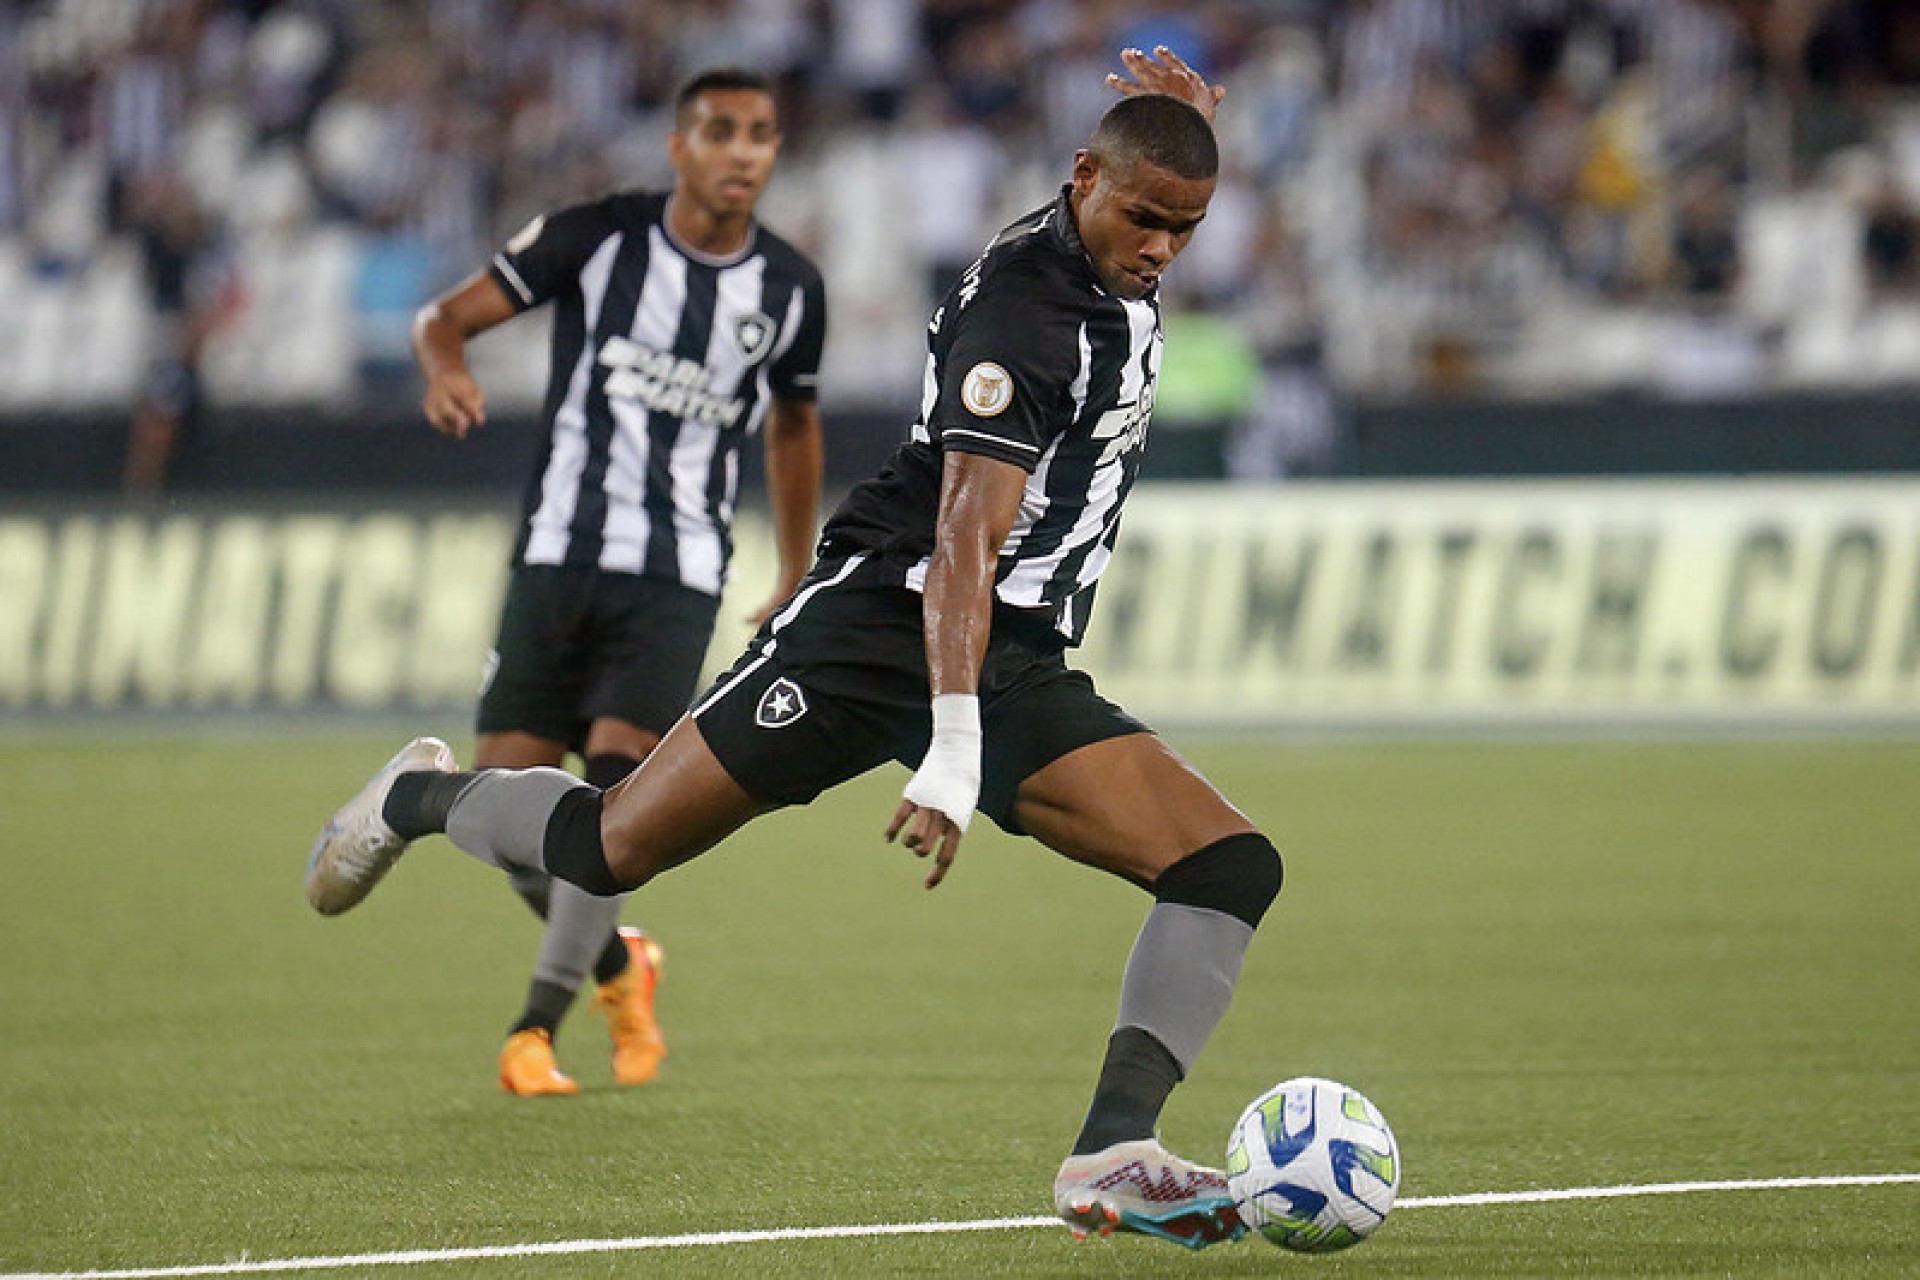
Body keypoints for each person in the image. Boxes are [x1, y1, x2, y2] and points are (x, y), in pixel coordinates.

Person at [308, 48, 1279, 1249]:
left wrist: (1177, 123)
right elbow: (963, 541)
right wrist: (955, 746)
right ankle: (415, 795)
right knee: (609, 848)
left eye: (1186, 228)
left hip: (1009, 650)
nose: (1161, 250)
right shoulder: (1025, 316)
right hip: (877, 628)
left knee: (1228, 864)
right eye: (1144, 218)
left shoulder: (1100, 212)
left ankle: (1114, 1148)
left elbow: (1143, 177)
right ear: (1083, 179)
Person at [310, 67, 828, 1099]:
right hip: (555, 554)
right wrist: (447, 364)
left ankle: (532, 1029)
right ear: (679, 146)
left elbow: (794, 424)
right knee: (511, 819)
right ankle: (614, 960)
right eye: (720, 132)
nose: (742, 152)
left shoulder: (789, 289)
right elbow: (441, 318)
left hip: (674, 575)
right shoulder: (596, 238)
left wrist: (796, 562)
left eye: (761, 135)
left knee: (607, 809)